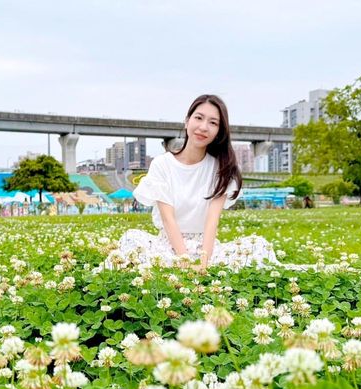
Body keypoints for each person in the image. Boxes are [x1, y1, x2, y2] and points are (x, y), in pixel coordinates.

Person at [111, 94, 281, 271]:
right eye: (198, 118)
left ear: (218, 133)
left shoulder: (220, 168)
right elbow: (168, 220)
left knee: (258, 246)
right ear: (187, 122)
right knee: (130, 239)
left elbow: (211, 221)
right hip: (167, 245)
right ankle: (174, 265)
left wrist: (203, 263)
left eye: (213, 123)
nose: (203, 127)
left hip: (206, 248)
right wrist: (183, 260)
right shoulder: (162, 164)